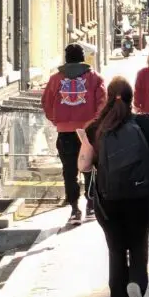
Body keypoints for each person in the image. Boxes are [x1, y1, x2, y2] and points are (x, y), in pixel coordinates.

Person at [76, 77, 149, 297]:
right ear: (131, 98)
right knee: (139, 246)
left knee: (116, 250)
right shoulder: (145, 123)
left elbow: (84, 166)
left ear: (109, 98)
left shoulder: (96, 128)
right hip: (140, 197)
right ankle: (136, 282)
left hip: (109, 200)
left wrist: (85, 143)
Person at [41, 44, 106, 224]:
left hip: (65, 133)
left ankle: (74, 209)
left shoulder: (55, 79)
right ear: (83, 58)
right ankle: (91, 204)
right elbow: (102, 102)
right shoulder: (94, 78)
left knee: (69, 171)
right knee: (90, 168)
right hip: (87, 133)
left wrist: (57, 120)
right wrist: (94, 123)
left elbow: (46, 102)